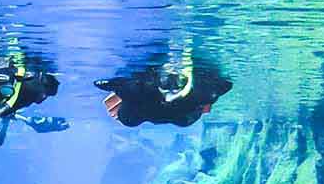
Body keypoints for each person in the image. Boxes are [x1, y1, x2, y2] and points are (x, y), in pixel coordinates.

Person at [95, 45, 232, 128]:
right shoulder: (201, 93)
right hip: (177, 113)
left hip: (155, 109)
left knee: (129, 116)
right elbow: (224, 86)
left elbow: (111, 85)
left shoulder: (137, 90)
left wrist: (112, 86)